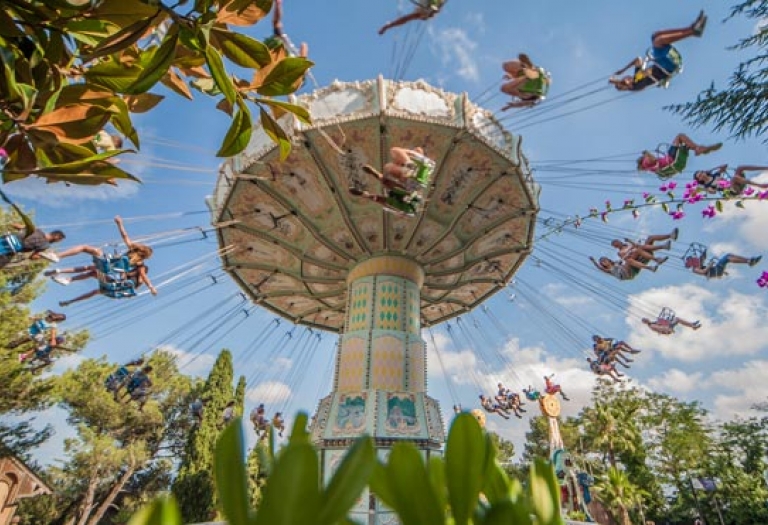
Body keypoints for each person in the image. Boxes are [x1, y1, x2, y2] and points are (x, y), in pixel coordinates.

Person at [46, 216, 157, 306]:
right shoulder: (139, 263)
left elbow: (125, 235)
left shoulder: (131, 250)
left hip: (106, 264)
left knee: (84, 248)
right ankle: (69, 279)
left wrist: (119, 223)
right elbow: (143, 276)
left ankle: (58, 256)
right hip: (108, 271)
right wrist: (151, 288)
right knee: (92, 272)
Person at [610, 11, 707, 91]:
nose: (625, 78)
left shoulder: (636, 75)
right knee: (658, 41)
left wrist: (622, 70)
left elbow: (638, 60)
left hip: (661, 62)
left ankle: (691, 28)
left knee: (655, 35)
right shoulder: (637, 86)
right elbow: (634, 80)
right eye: (624, 81)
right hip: (666, 67)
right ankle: (693, 32)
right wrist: (617, 82)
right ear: (628, 86)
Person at [0, 189, 64, 263]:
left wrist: (12, 225)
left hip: (6, 239)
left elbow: (16, 226)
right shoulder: (45, 245)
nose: (57, 242)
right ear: (56, 237)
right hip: (9, 250)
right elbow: (33, 257)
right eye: (59, 240)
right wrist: (43, 256)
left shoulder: (36, 229)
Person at [637, 134, 722, 177]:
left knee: (685, 145)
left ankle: (699, 148)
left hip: (676, 164)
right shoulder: (646, 163)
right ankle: (698, 149)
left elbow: (656, 163)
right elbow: (653, 159)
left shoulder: (652, 169)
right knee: (680, 136)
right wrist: (646, 153)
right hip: (671, 159)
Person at [349, 174, 424, 217]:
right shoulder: (413, 211)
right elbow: (399, 212)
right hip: (397, 201)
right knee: (382, 198)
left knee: (391, 189)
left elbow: (400, 212)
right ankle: (367, 194)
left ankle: (378, 177)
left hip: (399, 199)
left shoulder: (414, 209)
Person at [366, 147, 435, 192]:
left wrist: (373, 173)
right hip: (416, 181)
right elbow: (387, 183)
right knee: (391, 159)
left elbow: (387, 182)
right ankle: (410, 164)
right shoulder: (425, 163)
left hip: (415, 180)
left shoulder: (393, 168)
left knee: (393, 154)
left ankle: (410, 164)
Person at [378, 0, 446, 36]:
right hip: (428, 9)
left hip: (428, 9)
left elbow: (405, 19)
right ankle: (430, 11)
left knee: (420, 14)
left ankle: (430, 11)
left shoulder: (422, 13)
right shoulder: (423, 12)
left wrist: (388, 26)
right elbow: (405, 19)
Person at [693, 164, 768, 196]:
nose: (702, 174)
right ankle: (760, 185)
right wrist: (710, 189)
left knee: (740, 168)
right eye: (699, 175)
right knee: (734, 178)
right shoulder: (707, 185)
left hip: (736, 183)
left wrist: (711, 169)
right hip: (732, 191)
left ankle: (765, 168)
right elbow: (713, 192)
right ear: (699, 179)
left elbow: (725, 166)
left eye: (702, 172)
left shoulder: (714, 175)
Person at [690, 252, 762, 279]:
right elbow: (703, 272)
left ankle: (749, 260)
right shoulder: (695, 269)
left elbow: (702, 258)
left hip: (717, 270)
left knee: (729, 255)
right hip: (716, 271)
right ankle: (749, 261)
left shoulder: (699, 264)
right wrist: (710, 265)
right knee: (727, 258)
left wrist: (703, 254)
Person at [589, 256, 660, 281]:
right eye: (603, 262)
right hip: (623, 275)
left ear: (608, 260)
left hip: (629, 272)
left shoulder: (616, 262)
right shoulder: (609, 270)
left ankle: (650, 263)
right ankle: (650, 268)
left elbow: (623, 260)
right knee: (629, 261)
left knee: (631, 260)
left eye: (605, 260)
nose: (604, 262)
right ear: (602, 264)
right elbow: (599, 268)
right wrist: (593, 261)